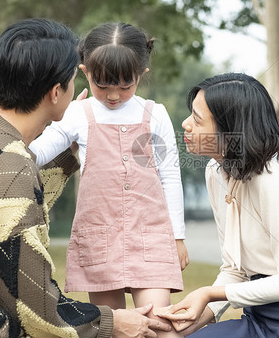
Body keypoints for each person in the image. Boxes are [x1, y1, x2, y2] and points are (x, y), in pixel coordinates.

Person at [0, 18, 172, 338]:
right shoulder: (9, 168)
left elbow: (5, 194)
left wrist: (69, 149)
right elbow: (35, 307)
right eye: (75, 78)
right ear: (56, 91)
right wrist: (113, 323)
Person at [160, 73, 279, 337]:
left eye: (197, 119)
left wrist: (208, 293)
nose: (185, 124)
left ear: (230, 132)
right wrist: (187, 324)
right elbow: (235, 269)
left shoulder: (270, 180)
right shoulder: (215, 171)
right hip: (258, 314)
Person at [29, 22, 187, 337]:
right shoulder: (77, 114)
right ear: (85, 72)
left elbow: (169, 175)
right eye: (102, 86)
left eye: (125, 86)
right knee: (112, 328)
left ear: (141, 73)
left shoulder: (155, 114)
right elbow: (37, 152)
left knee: (160, 327)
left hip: (151, 237)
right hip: (98, 237)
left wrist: (178, 236)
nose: (113, 95)